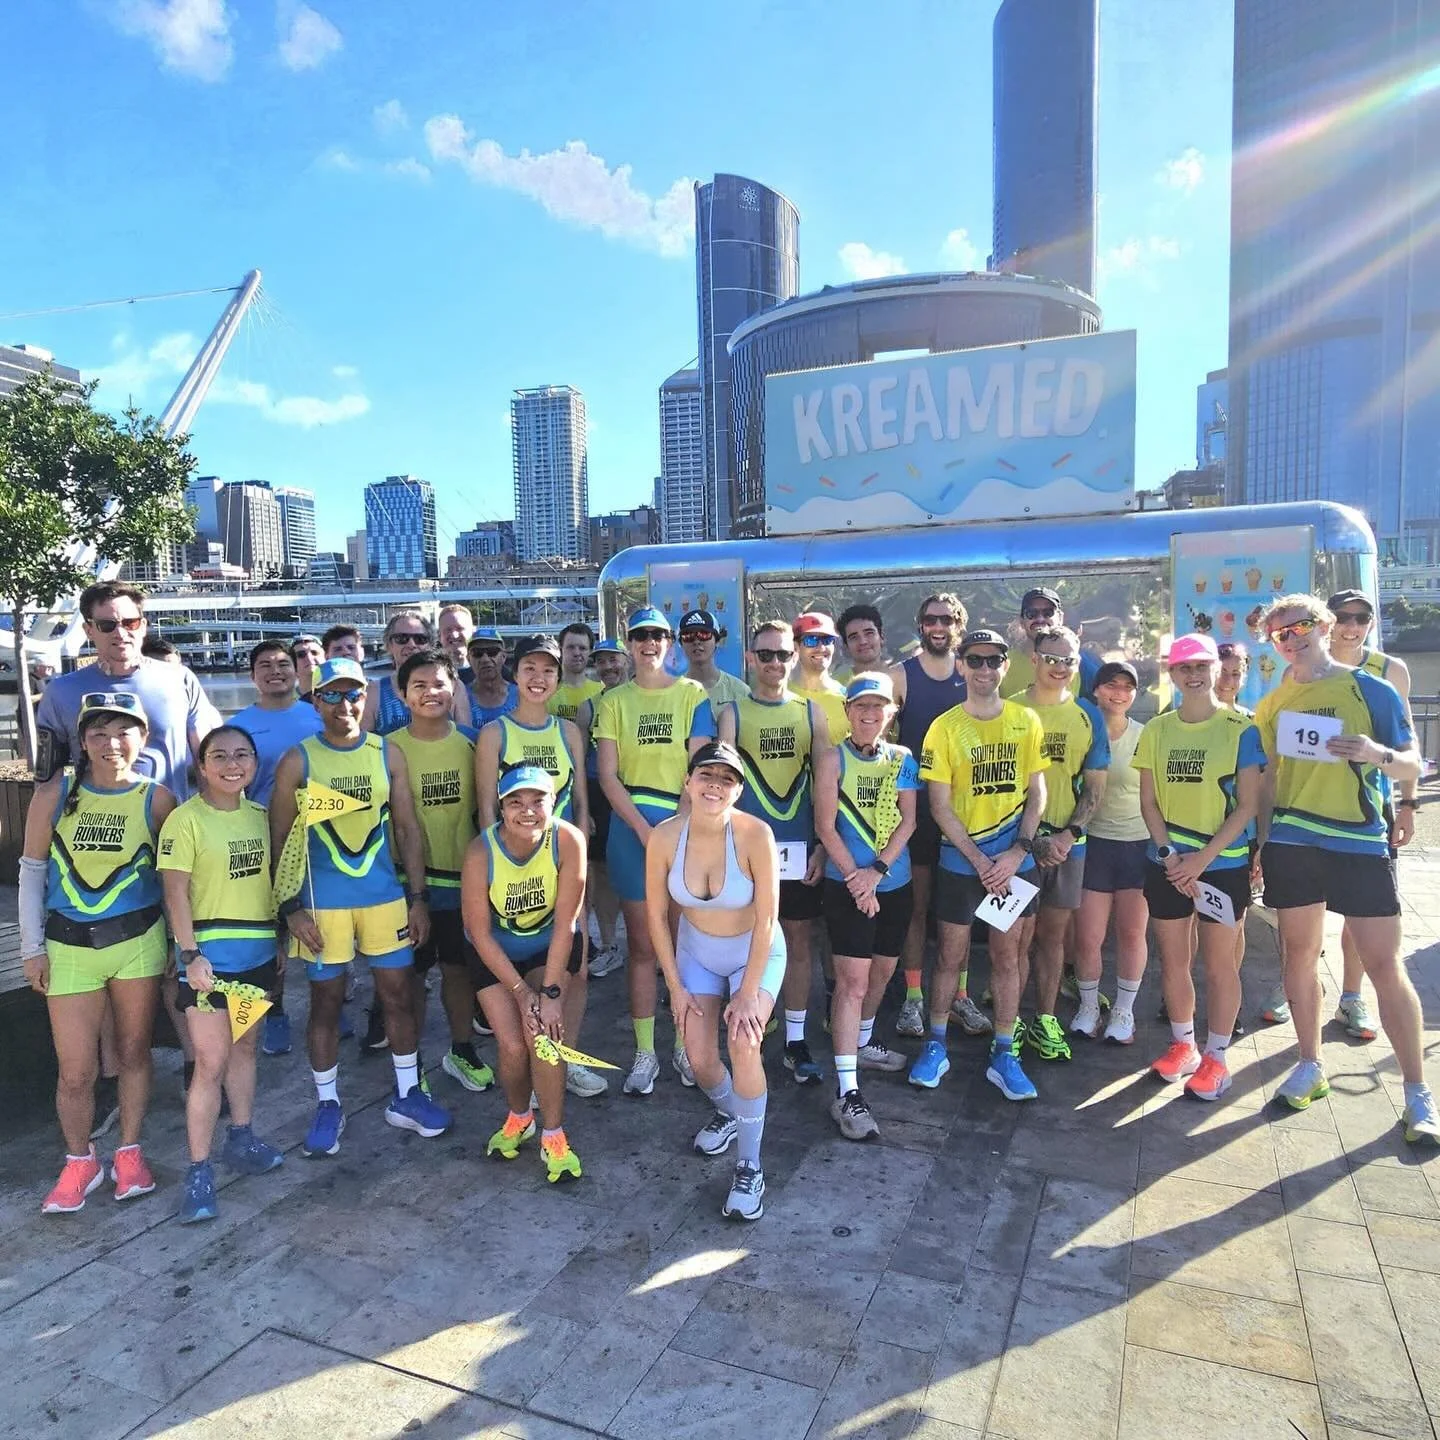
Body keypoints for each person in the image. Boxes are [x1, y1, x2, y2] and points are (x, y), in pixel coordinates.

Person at [1255, 595, 1439, 1139]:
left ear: (1326, 627)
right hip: (1292, 839)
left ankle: (1417, 1094)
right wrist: (1263, 843)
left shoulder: (1372, 688)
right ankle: (1310, 1065)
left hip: (1358, 839)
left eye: (1302, 625)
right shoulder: (1273, 703)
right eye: (1280, 632)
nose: (1292, 636)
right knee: (1300, 957)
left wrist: (1374, 753)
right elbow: (1268, 781)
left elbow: (1414, 764)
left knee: (1384, 965)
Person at [269, 657, 452, 1156]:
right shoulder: (297, 760)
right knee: (327, 1003)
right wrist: (289, 909)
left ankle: (408, 1094)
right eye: (331, 695)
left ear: (366, 699)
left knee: (397, 995)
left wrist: (417, 898)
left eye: (353, 694)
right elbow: (279, 838)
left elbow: (407, 831)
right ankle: (328, 1102)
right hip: (321, 906)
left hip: (384, 899)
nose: (343, 705)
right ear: (315, 700)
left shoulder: (386, 753)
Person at [21, 692, 175, 1212]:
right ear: (82, 741)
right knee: (75, 1070)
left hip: (137, 943)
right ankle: (79, 1161)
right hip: (67, 946)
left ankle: (129, 1152)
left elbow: (176, 881)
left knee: (134, 1052)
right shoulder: (56, 793)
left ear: (143, 738)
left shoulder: (157, 799)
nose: (112, 743)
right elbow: (32, 872)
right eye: (99, 733)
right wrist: (31, 946)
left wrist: (182, 944)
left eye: (124, 731)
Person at [645, 742, 785, 1220]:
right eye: (706, 775)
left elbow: (768, 920)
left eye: (727, 779)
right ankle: (732, 1111)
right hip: (696, 952)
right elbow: (656, 918)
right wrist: (675, 987)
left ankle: (750, 1163)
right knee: (700, 1059)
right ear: (687, 781)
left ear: (739, 790)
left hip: (754, 951)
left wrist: (748, 994)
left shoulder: (756, 835)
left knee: (744, 1042)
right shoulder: (664, 837)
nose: (715, 786)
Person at [159, 725, 286, 1223]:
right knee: (210, 1062)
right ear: (203, 764)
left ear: (254, 763)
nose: (232, 764)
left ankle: (243, 1136)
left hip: (256, 955)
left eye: (242, 755)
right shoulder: (185, 821)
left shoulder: (260, 817)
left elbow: (271, 883)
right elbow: (175, 892)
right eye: (220, 756)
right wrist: (189, 955)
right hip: (209, 963)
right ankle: (198, 1170)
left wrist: (277, 940)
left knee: (246, 1049)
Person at [915, 630, 1047, 1101]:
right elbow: (939, 805)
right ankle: (935, 1044)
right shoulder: (944, 727)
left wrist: (1016, 854)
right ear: (961, 666)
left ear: (1006, 666)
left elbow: (1038, 792)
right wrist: (979, 860)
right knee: (950, 957)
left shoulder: (1025, 719)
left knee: (1006, 957)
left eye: (994, 660)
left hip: (1011, 861)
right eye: (975, 660)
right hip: (962, 863)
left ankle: (1004, 1052)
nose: (985, 669)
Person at [1135, 634, 1264, 1101]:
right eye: (1183, 668)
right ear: (1171, 674)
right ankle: (1184, 1045)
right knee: (1174, 961)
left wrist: (1202, 861)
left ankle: (1218, 1055)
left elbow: (1247, 806)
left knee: (1220, 965)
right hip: (1169, 864)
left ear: (1216, 669)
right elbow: (1148, 802)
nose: (1193, 675)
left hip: (1221, 865)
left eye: (1201, 666)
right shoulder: (1157, 729)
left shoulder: (1240, 729)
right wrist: (1171, 857)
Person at [594, 607, 715, 1096]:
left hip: (684, 828)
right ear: (629, 642)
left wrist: (677, 827)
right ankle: (645, 1052)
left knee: (684, 950)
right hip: (632, 832)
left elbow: (702, 765)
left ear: (670, 642)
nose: (650, 643)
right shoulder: (614, 701)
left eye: (658, 635)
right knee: (643, 947)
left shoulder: (692, 695)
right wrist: (646, 832)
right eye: (641, 635)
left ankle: (685, 1046)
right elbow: (607, 775)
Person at [476, 635, 602, 1099]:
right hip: (516, 872)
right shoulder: (495, 734)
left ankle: (564, 1059)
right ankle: (532, 1059)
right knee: (520, 971)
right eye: (529, 668)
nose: (538, 678)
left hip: (566, 867)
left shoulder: (568, 732)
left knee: (577, 968)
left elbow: (582, 807)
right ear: (514, 673)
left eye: (548, 670)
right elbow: (487, 811)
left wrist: (580, 852)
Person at [717, 621, 831, 1085]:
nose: (775, 663)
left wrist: (823, 844)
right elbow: (721, 788)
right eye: (766, 655)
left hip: (800, 847)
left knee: (799, 942)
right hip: (747, 853)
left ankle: (796, 1040)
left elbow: (826, 788)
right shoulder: (733, 713)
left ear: (795, 657)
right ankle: (745, 1031)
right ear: (750, 658)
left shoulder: (811, 713)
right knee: (744, 945)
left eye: (784, 654)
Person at [461, 765, 587, 1183]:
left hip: (548, 947)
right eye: (516, 802)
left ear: (553, 803)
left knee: (545, 1038)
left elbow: (566, 923)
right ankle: (520, 1116)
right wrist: (520, 992)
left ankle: (554, 1134)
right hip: (495, 954)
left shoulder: (568, 839)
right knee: (513, 1046)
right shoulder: (481, 852)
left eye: (538, 800)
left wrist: (549, 994)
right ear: (501, 807)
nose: (527, 811)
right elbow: (479, 933)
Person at [814, 674, 920, 1139]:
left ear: (890, 713)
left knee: (882, 972)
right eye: (861, 707)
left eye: (879, 707)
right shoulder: (831, 759)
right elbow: (825, 825)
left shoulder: (902, 759)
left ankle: (862, 1042)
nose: (870, 715)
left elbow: (909, 819)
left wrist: (876, 872)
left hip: (894, 883)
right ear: (847, 710)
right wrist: (857, 880)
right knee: (851, 984)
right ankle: (847, 1090)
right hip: (846, 886)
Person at [386, 647, 495, 1096]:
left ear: (454, 689)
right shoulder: (387, 749)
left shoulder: (475, 741)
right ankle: (410, 1072)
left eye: (439, 684)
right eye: (419, 685)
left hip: (460, 881)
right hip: (404, 886)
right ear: (403, 694)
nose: (431, 692)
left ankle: (461, 1050)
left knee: (457, 971)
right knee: (407, 979)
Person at [888, 593, 988, 1040]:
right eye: (930, 619)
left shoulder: (972, 675)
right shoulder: (901, 677)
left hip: (966, 814)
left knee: (960, 912)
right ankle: (913, 998)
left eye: (947, 619)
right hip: (918, 815)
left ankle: (961, 997)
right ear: (920, 624)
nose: (938, 626)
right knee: (917, 908)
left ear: (959, 625)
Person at [1323, 589, 1417, 1042]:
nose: (1351, 625)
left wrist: (1409, 804)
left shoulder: (1389, 671)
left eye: (1362, 617)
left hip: (1369, 812)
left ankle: (1351, 996)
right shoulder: (1304, 666)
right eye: (1343, 616)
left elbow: (1406, 748)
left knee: (1360, 915)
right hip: (1310, 807)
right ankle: (1294, 988)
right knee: (1297, 912)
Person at [1013, 625, 1109, 1061]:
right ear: (1034, 659)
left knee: (1052, 939)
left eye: (1069, 660)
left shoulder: (1089, 715)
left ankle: (1044, 1020)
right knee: (1011, 939)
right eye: (1051, 658)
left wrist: (1069, 836)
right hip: (1013, 849)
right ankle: (1009, 1024)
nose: (1060, 667)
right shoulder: (1008, 709)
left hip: (1068, 848)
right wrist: (1027, 842)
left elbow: (1094, 786)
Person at [35, 581, 220, 802]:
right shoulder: (61, 691)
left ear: (142, 625)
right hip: (95, 826)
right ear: (89, 630)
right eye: (107, 625)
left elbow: (207, 759)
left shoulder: (180, 679)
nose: (120, 633)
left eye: (129, 623)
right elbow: (47, 774)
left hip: (170, 823)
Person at [228, 640, 324, 1057]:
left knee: (324, 922)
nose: (275, 671)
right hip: (265, 837)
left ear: (297, 670)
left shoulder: (317, 715)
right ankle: (276, 1012)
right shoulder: (241, 723)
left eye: (284, 663)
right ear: (252, 676)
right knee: (274, 934)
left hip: (320, 837)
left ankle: (330, 1008)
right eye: (264, 665)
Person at [1073, 660, 1150, 1044]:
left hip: (1138, 846)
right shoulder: (1081, 728)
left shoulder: (1146, 735)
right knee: (1088, 937)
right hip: (1092, 844)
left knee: (1132, 933)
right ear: (1096, 690)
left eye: (1127, 687)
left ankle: (1124, 1012)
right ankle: (1088, 1007)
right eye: (1111, 686)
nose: (1119, 693)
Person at [576, 638, 628, 978]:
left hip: (637, 789)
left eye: (614, 660)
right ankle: (610, 945)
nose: (608, 667)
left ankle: (653, 946)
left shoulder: (644, 698)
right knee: (604, 875)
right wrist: (585, 810)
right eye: (601, 662)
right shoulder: (588, 707)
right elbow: (578, 763)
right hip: (598, 793)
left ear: (627, 659)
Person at [363, 612, 473, 735]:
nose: (411, 645)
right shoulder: (374, 691)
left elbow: (466, 738)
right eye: (402, 639)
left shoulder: (454, 687)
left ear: (430, 645)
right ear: (389, 645)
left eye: (420, 639)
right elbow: (363, 745)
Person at [999, 587, 1101, 700]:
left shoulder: (1079, 663)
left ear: (1060, 618)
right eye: (1031, 614)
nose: (1040, 619)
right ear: (1022, 621)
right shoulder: (1000, 663)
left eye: (1048, 613)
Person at [789, 612, 850, 745]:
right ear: (795, 647)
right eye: (811, 640)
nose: (821, 648)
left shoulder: (848, 698)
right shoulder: (782, 696)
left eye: (827, 640)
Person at [679, 608, 750, 710]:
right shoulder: (673, 693)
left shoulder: (740, 692)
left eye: (704, 634)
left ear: (717, 641)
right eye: (688, 636)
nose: (696, 641)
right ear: (681, 643)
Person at [550, 623, 603, 723]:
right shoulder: (547, 692)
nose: (576, 653)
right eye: (571, 647)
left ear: (590, 652)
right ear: (560, 649)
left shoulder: (601, 692)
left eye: (582, 648)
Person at [468, 628, 519, 725]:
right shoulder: (461, 697)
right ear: (468, 659)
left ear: (504, 656)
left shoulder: (521, 696)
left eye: (492, 652)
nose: (485, 659)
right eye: (477, 653)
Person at [835, 604, 889, 685]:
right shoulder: (837, 685)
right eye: (854, 637)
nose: (863, 641)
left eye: (869, 633)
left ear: (881, 637)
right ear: (846, 646)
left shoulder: (902, 676)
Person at [438, 603, 476, 686]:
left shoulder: (487, 672)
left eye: (460, 628)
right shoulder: (430, 673)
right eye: (448, 630)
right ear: (439, 635)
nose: (454, 635)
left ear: (473, 633)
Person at [290, 635, 324, 701]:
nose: (309, 658)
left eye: (314, 653)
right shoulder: (283, 702)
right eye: (301, 655)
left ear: (326, 657)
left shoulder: (341, 692)